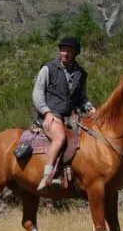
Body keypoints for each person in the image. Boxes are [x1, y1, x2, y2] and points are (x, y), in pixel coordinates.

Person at [32, 36, 95, 191]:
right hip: (52, 114)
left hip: (72, 116)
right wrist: (46, 112)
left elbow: (81, 97)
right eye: (63, 50)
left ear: (75, 53)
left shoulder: (81, 74)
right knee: (59, 138)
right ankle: (47, 176)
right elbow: (37, 92)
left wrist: (89, 107)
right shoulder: (48, 68)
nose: (65, 53)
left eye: (69, 51)